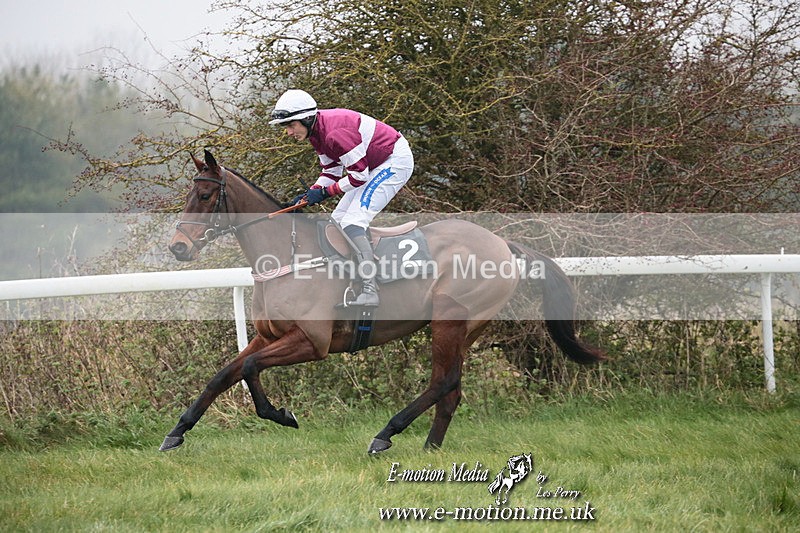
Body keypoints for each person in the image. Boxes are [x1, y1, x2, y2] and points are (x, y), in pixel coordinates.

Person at [269, 89, 414, 306]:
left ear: (306, 119)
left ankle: (370, 288)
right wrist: (310, 194)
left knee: (353, 222)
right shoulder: (316, 133)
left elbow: (359, 176)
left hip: (393, 161)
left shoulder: (334, 133)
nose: (288, 132)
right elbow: (331, 171)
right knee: (337, 222)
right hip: (371, 165)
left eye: (291, 125)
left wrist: (324, 193)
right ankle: (351, 280)